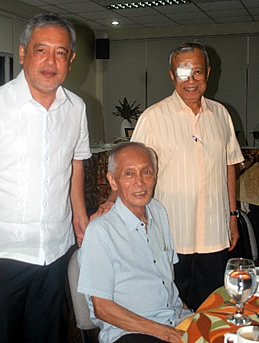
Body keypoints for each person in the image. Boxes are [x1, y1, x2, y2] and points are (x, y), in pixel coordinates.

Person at [0, 13, 91, 342]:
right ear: (23, 53)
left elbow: (76, 161)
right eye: (41, 50)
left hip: (55, 248)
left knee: (46, 334)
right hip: (2, 254)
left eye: (60, 52)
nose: (51, 61)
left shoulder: (76, 108)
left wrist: (79, 215)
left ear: (70, 59)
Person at [95, 42, 244, 311]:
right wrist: (111, 200)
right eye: (183, 73)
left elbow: (229, 166)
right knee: (172, 309)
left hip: (214, 233)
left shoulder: (221, 115)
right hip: (170, 236)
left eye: (197, 72)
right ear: (172, 75)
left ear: (208, 73)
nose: (191, 80)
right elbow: (130, 168)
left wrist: (232, 218)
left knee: (212, 307)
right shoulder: (153, 117)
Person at [78, 142, 193, 343]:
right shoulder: (100, 232)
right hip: (131, 332)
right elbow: (102, 308)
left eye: (146, 172)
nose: (140, 183)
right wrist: (165, 333)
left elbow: (165, 279)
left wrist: (190, 315)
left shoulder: (158, 211)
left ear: (155, 176)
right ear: (113, 182)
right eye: (129, 174)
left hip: (175, 321)